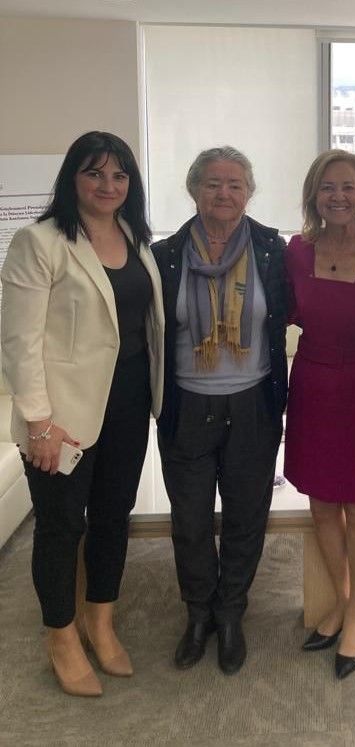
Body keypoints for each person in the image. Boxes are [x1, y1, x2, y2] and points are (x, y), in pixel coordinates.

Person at [0, 131, 164, 697]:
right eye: (94, 173)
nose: (108, 185)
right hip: (62, 416)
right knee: (61, 526)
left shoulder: (135, 237)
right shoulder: (40, 241)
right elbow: (19, 342)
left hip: (128, 404)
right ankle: (61, 636)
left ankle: (101, 619)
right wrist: (39, 423)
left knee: (114, 516)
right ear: (73, 178)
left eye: (119, 175)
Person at [151, 147, 287, 675]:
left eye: (234, 184)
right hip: (186, 404)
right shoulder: (165, 255)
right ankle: (198, 614)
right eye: (212, 183)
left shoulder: (271, 249)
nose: (223, 193)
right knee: (189, 521)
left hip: (253, 403)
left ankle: (230, 613)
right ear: (194, 190)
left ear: (249, 193)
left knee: (246, 515)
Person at [284, 150, 355, 679]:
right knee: (323, 505)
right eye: (327, 187)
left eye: (348, 186)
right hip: (311, 385)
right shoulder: (296, 251)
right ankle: (345, 599)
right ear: (314, 195)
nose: (338, 196)